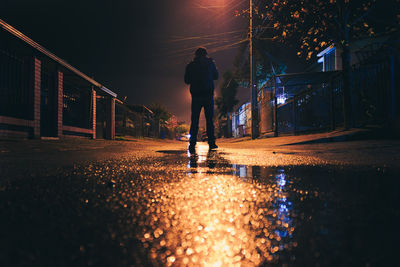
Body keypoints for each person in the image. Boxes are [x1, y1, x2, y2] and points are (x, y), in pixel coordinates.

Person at [184, 47, 219, 153]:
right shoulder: (210, 63)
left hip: (196, 96)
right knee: (209, 120)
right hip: (208, 95)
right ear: (206, 54)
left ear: (195, 55)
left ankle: (192, 143)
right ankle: (212, 143)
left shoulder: (190, 65)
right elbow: (216, 76)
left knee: (194, 120)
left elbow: (186, 80)